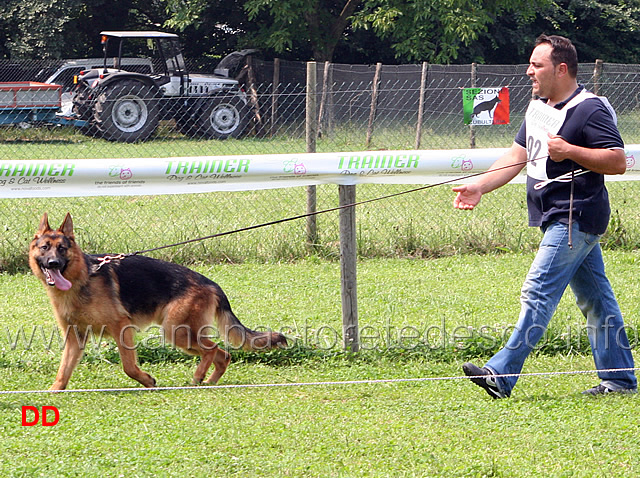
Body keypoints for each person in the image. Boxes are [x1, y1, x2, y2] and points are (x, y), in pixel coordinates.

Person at [452, 34, 637, 398]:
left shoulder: (590, 108)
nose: (528, 72)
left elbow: (617, 161)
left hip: (575, 217)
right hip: (555, 217)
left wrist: (570, 150)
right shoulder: (539, 108)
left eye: (537, 65)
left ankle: (500, 374)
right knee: (597, 301)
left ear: (561, 68)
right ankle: (619, 380)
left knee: (538, 291)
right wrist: (480, 187)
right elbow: (516, 156)